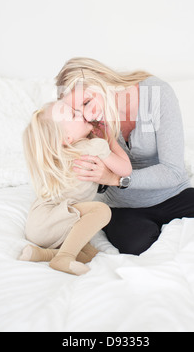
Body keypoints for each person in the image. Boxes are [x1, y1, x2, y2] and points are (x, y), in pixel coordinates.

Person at [55, 57, 194, 255]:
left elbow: (174, 172)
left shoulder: (157, 94)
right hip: (123, 206)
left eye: (87, 101)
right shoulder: (85, 121)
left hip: (172, 193)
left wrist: (116, 179)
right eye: (77, 111)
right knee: (138, 246)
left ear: (103, 77)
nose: (88, 115)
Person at [20, 98, 132, 275]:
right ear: (67, 138)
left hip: (41, 223)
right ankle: (64, 257)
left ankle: (41, 254)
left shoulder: (59, 156)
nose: (81, 113)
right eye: (74, 114)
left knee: (90, 254)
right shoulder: (94, 146)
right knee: (101, 211)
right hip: (54, 218)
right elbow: (125, 169)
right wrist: (110, 140)